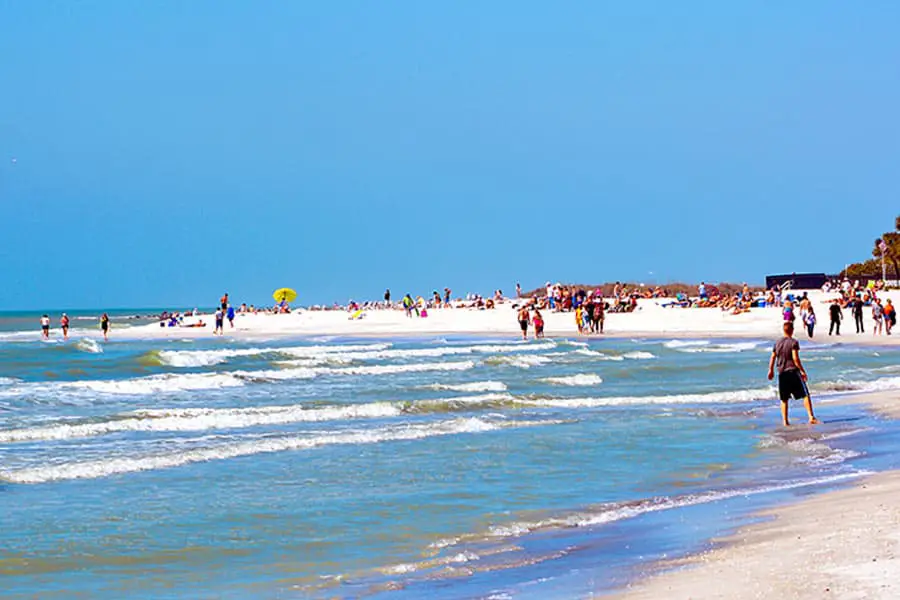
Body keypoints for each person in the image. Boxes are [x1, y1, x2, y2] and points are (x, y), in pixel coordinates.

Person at [767, 321, 820, 427]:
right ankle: (811, 417)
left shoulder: (777, 343)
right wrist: (802, 371)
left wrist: (771, 370)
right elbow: (795, 358)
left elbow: (773, 357)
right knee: (805, 394)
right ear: (792, 330)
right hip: (792, 371)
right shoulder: (793, 342)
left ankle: (785, 421)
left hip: (782, 373)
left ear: (784, 330)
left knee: (784, 398)